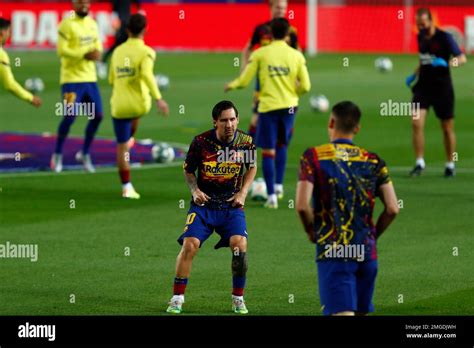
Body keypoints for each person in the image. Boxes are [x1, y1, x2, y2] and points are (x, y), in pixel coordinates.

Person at [296, 101, 399, 316]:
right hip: (366, 252)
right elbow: (392, 208)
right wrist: (372, 236)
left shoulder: (313, 157)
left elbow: (302, 205)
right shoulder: (373, 160)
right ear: (357, 128)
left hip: (334, 251)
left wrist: (310, 231)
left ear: (331, 122)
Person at [166, 100, 256, 314]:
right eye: (224, 120)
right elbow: (188, 171)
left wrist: (243, 193)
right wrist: (195, 191)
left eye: (233, 119)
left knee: (239, 246)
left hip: (231, 206)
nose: (229, 124)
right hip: (204, 205)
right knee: (190, 245)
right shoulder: (200, 142)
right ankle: (177, 297)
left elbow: (251, 167)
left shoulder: (246, 142)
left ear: (237, 120)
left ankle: (238, 298)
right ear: (215, 122)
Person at [225, 18, 310, 209]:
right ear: (288, 33)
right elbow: (306, 86)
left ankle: (271, 197)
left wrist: (231, 85)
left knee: (268, 151)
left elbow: (245, 80)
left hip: (268, 108)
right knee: (282, 145)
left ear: (270, 33)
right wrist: (293, 92)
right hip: (290, 107)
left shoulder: (261, 54)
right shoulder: (296, 55)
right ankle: (279, 186)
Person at [109, 13, 169, 199]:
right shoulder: (147, 52)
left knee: (121, 148)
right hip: (139, 105)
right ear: (145, 29)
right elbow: (147, 75)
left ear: (127, 30)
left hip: (119, 106)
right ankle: (131, 138)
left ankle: (126, 186)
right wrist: (158, 98)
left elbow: (111, 79)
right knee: (136, 113)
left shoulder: (117, 51)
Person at [406, 8, 467, 178]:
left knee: (447, 129)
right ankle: (419, 163)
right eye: (418, 25)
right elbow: (423, 58)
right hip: (423, 87)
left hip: (442, 89)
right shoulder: (421, 37)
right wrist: (414, 74)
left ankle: (449, 164)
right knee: (416, 123)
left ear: (432, 22)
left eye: (423, 24)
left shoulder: (445, 37)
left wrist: (448, 63)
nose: (421, 28)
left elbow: (462, 58)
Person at [51, 0, 104, 173]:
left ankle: (85, 153)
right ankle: (57, 154)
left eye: (87, 2)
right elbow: (61, 50)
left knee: (98, 116)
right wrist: (84, 54)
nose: (85, 5)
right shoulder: (66, 24)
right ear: (74, 4)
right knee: (69, 116)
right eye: (81, 2)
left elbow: (98, 46)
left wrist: (97, 53)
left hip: (90, 79)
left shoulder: (92, 24)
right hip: (70, 81)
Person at [241, 0, 299, 141]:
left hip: (285, 81)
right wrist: (245, 69)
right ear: (271, 7)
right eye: (278, 7)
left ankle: (277, 150)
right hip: (264, 81)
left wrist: (298, 77)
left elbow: (298, 54)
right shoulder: (261, 29)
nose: (281, 11)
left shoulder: (291, 31)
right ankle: (248, 153)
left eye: (284, 8)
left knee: (285, 120)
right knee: (256, 118)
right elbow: (247, 48)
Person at [0, 18, 42, 108]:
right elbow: (10, 84)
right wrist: (30, 98)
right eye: (8, 32)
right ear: (2, 33)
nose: (9, 35)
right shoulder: (1, 55)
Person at [98, 0, 141, 79]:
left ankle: (126, 66)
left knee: (126, 46)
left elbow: (137, 3)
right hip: (120, 23)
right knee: (118, 45)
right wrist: (115, 23)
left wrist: (139, 11)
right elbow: (114, 11)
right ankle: (103, 62)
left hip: (127, 22)